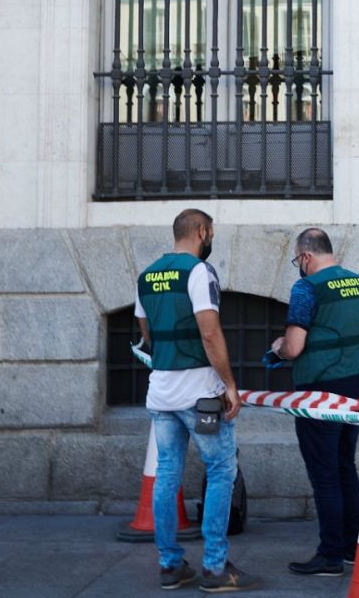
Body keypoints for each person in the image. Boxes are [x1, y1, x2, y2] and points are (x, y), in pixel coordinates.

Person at [135, 209, 259, 593]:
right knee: (221, 469)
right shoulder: (199, 272)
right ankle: (215, 567)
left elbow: (147, 333)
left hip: (161, 392)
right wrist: (230, 385)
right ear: (202, 232)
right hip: (200, 394)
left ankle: (170, 565)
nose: (211, 240)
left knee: (167, 475)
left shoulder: (146, 276)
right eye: (212, 234)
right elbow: (209, 333)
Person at [270, 227, 359, 578]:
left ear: (305, 256)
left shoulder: (307, 288)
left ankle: (330, 555)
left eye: (296, 261)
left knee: (325, 473)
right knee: (345, 466)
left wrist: (278, 349)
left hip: (320, 391)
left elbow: (294, 347)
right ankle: (352, 548)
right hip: (358, 386)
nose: (298, 267)